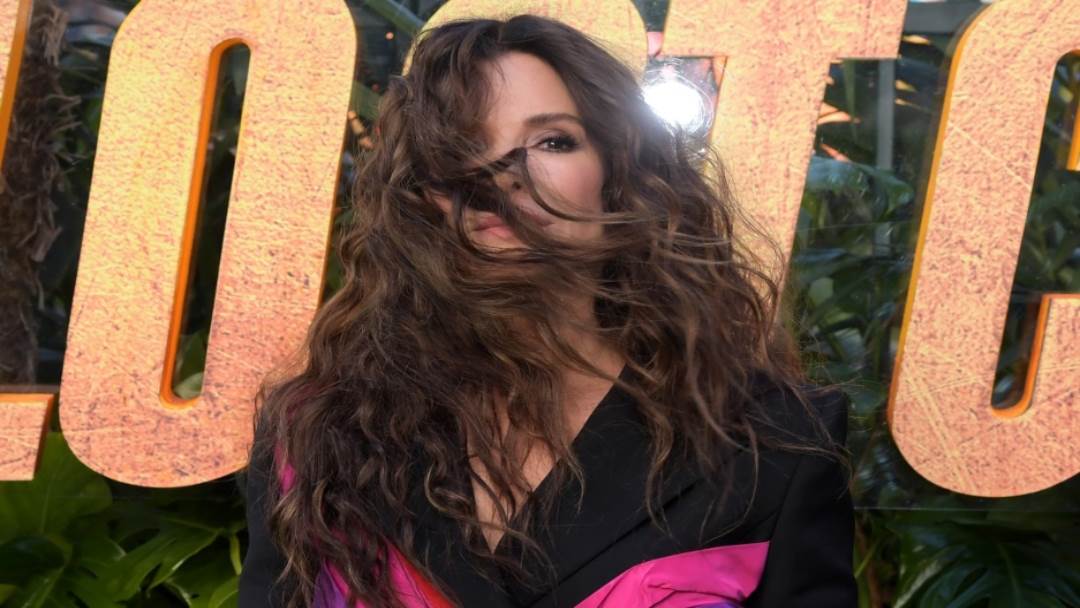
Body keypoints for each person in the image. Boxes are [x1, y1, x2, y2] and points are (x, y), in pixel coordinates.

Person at [237, 13, 856, 608]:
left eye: (552, 141)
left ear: (622, 175)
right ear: (422, 194)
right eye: (463, 147)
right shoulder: (319, 431)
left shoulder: (772, 443)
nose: (504, 177)